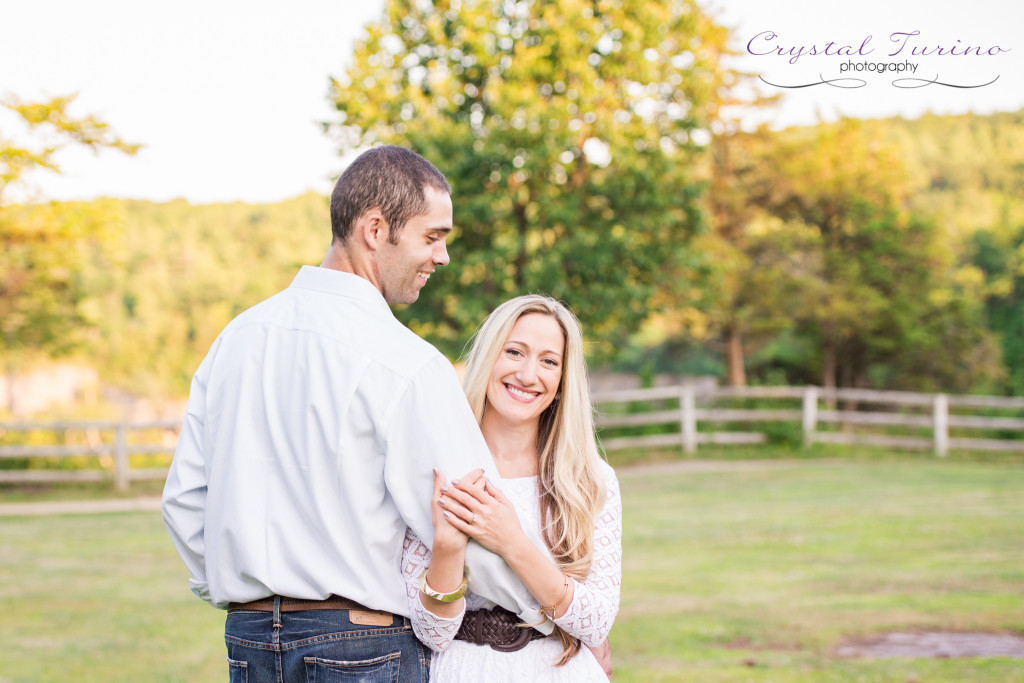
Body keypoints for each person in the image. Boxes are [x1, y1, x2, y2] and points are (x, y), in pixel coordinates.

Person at [161, 145, 546, 683]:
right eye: (432, 237)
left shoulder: (236, 340)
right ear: (374, 228)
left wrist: (237, 590)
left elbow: (183, 500)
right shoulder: (408, 363)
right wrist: (550, 605)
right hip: (363, 645)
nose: (442, 257)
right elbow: (470, 514)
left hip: (248, 641)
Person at [400, 295, 622, 681]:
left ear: (562, 380)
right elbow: (432, 632)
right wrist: (448, 546)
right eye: (514, 352)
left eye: (549, 361)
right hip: (461, 670)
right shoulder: (440, 471)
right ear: (488, 357)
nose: (528, 374)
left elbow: (596, 622)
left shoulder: (590, 480)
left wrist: (511, 541)